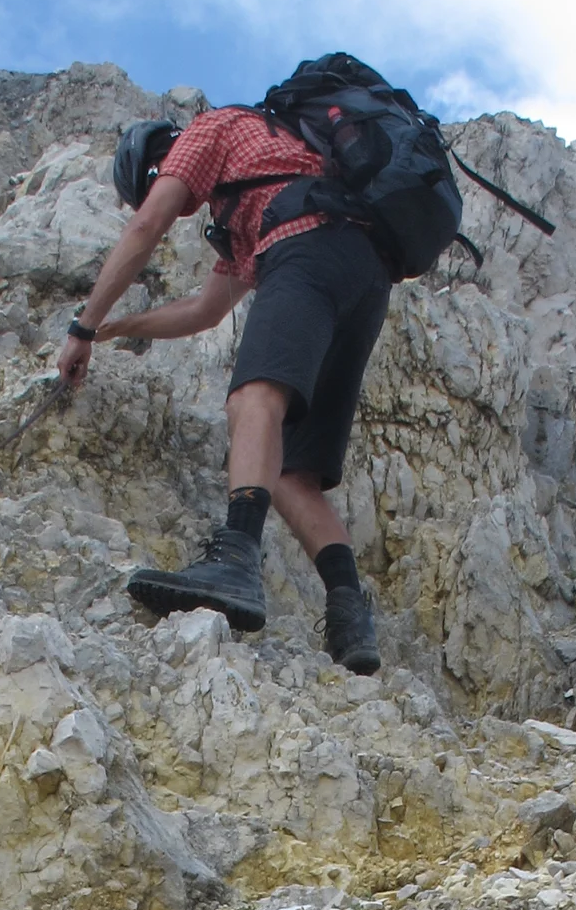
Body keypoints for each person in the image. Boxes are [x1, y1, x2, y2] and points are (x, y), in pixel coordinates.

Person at [54, 107, 388, 673]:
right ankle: (350, 616)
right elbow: (206, 310)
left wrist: (83, 327)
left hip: (303, 251)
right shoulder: (263, 189)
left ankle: (235, 558)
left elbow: (145, 229)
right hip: (366, 274)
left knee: (251, 399)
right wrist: (119, 328)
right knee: (290, 474)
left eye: (155, 184)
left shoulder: (210, 130)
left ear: (155, 162)